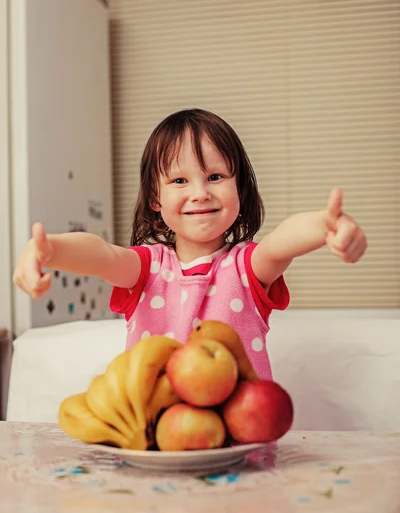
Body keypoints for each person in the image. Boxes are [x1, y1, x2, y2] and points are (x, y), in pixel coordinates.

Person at [13, 109, 367, 379]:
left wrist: (326, 225)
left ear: (238, 187)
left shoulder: (248, 267)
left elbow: (282, 242)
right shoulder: (146, 269)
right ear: (155, 196)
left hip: (238, 445)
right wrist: (50, 250)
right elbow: (101, 254)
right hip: (153, 441)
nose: (200, 193)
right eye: (180, 180)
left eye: (215, 176)